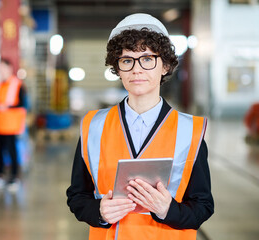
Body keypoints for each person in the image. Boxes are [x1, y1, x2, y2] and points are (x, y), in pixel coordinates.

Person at [66, 13, 214, 240]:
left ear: (164, 65)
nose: (137, 69)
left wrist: (168, 210)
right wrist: (99, 212)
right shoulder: (93, 126)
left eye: (147, 59)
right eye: (127, 60)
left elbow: (203, 206)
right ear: (118, 69)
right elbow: (77, 196)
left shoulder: (190, 132)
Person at [0, 58, 27, 190]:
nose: (1, 72)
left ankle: (14, 177)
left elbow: (22, 104)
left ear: (9, 68)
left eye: (2, 68)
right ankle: (0, 175)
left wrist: (7, 108)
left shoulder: (17, 84)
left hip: (11, 125)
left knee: (11, 151)